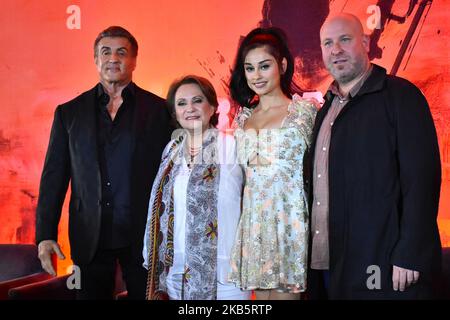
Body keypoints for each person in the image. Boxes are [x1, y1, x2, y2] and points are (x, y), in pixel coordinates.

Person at [307, 13, 442, 299]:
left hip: (386, 265)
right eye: (327, 43)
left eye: (345, 39)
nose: (336, 50)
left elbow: (422, 181)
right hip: (332, 265)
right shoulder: (325, 110)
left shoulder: (401, 96)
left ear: (365, 41)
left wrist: (411, 252)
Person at [35, 26, 172, 299]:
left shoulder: (160, 110)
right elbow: (54, 177)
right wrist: (45, 234)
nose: (113, 58)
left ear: (134, 60)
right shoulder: (69, 113)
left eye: (122, 52)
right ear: (95, 59)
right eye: (105, 52)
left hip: (144, 237)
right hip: (89, 236)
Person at [227, 27, 317, 300]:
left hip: (290, 223)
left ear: (283, 65)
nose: (256, 75)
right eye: (250, 68)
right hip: (254, 224)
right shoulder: (241, 119)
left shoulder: (304, 113)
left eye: (264, 66)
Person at [143, 75, 251, 300]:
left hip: (225, 272)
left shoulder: (232, 146)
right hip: (175, 271)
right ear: (175, 112)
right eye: (181, 103)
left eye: (197, 101)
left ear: (212, 106)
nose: (189, 108)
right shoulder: (171, 150)